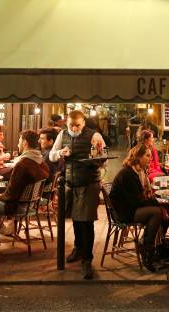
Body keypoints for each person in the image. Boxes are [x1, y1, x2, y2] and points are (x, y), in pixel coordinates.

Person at [49, 110, 105, 279]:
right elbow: (51, 155)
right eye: (71, 125)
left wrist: (97, 154)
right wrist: (60, 153)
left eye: (77, 125)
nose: (74, 128)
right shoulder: (62, 134)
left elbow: (104, 158)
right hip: (70, 183)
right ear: (67, 123)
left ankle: (87, 260)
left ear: (84, 123)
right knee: (75, 218)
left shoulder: (94, 135)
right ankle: (78, 248)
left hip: (89, 183)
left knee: (86, 221)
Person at [109, 144, 163, 272]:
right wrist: (155, 202)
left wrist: (156, 201)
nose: (150, 159)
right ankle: (147, 248)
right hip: (123, 212)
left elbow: (139, 199)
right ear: (138, 157)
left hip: (129, 207)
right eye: (147, 156)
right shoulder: (127, 174)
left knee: (165, 209)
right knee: (156, 212)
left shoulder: (137, 171)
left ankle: (154, 245)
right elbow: (136, 201)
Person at [0, 130, 49, 227]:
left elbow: (11, 194)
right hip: (31, 204)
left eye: (19, 141)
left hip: (18, 206)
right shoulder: (40, 160)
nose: (18, 145)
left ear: (25, 143)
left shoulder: (23, 164)